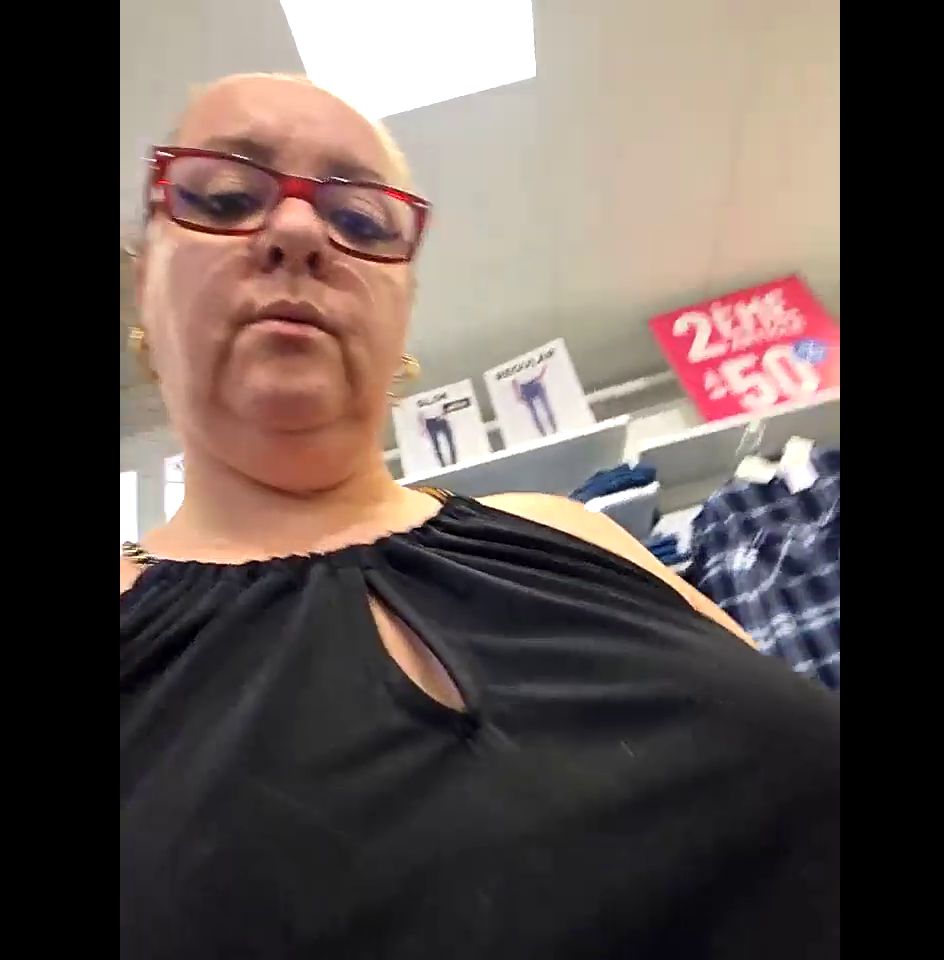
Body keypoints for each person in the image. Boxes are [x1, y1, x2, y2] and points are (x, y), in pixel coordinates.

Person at [120, 73, 840, 959]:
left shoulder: (570, 530)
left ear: (404, 311)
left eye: (361, 221)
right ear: (145, 284)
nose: (300, 231)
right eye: (227, 197)